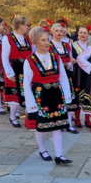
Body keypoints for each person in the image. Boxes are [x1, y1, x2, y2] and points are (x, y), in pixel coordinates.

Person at [24, 26, 72, 165]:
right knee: (41, 125)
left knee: (57, 125)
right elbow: (26, 83)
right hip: (40, 96)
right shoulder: (30, 59)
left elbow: (62, 77)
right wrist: (31, 104)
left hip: (56, 94)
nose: (46, 43)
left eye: (47, 39)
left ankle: (59, 155)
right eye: (42, 40)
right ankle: (42, 149)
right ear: (35, 42)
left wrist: (67, 96)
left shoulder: (55, 56)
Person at [3, 15, 33, 128]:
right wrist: (9, 73)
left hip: (27, 68)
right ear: (21, 25)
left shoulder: (27, 38)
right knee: (15, 94)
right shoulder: (8, 38)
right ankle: (12, 116)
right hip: (14, 68)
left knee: (28, 92)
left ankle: (28, 117)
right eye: (27, 25)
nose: (29, 27)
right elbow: (4, 57)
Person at [50, 23, 78, 134]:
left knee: (69, 97)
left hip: (67, 75)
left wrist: (70, 63)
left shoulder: (67, 44)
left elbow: (70, 58)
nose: (59, 33)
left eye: (61, 31)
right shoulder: (49, 45)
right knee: (56, 98)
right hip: (55, 75)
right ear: (52, 32)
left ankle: (69, 124)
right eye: (56, 31)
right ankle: (58, 122)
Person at [71, 25, 91, 128]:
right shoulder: (72, 45)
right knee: (78, 97)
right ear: (78, 34)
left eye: (85, 33)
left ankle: (88, 120)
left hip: (89, 75)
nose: (83, 34)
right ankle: (77, 119)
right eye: (81, 32)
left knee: (88, 97)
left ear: (88, 34)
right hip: (77, 74)